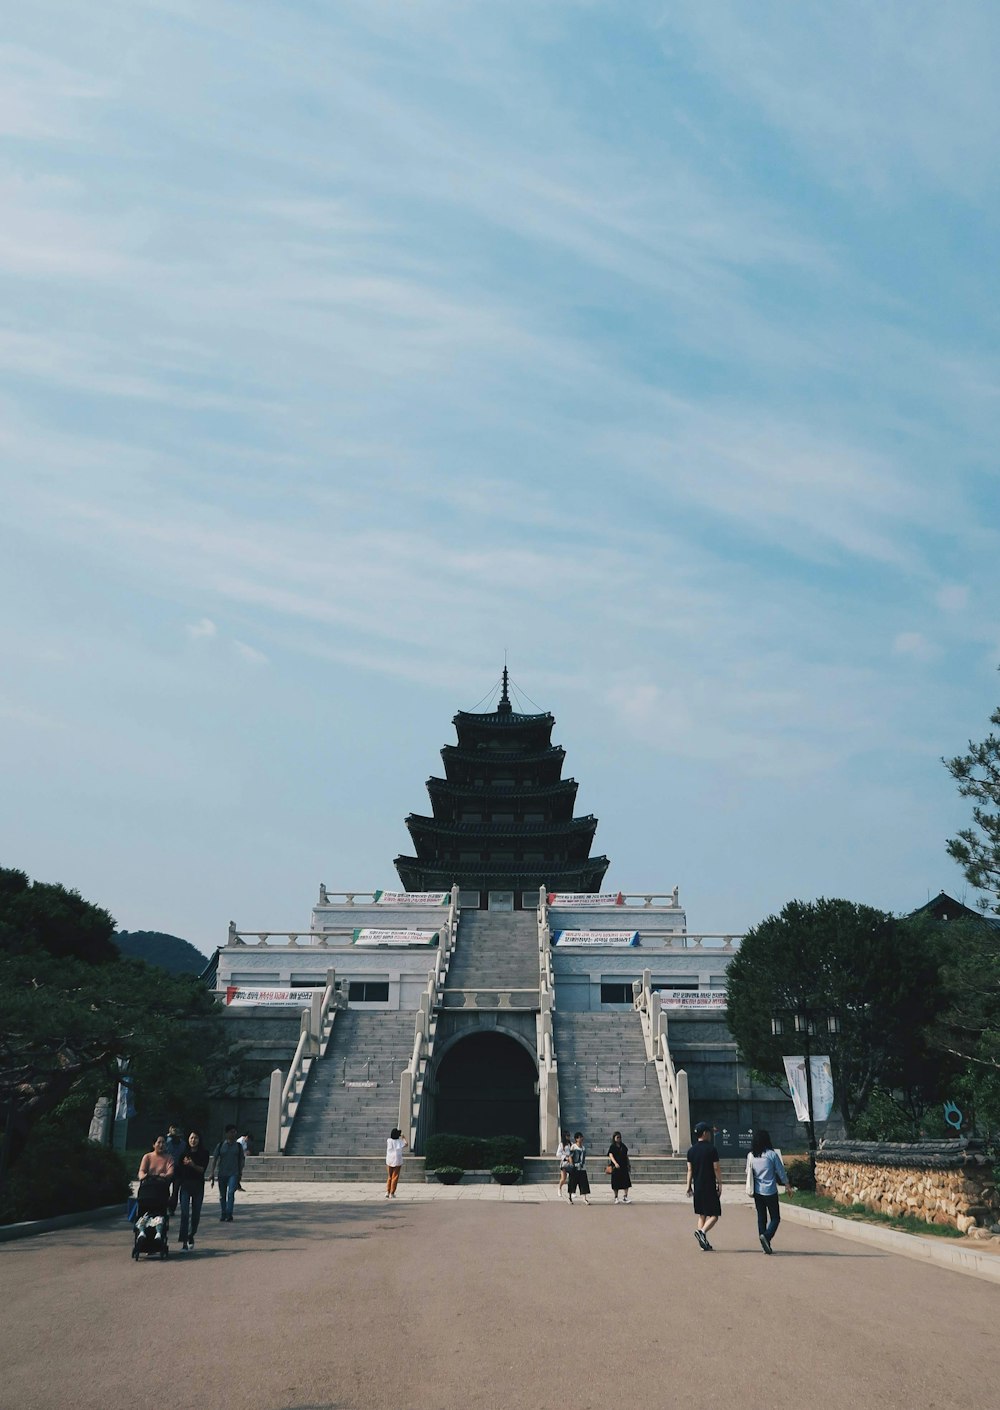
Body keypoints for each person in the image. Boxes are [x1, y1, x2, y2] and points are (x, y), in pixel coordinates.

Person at [746, 1129, 791, 1254]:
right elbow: (780, 1171)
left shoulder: (751, 1155)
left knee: (761, 1217)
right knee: (775, 1217)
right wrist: (787, 1185)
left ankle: (764, 1240)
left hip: (757, 1191)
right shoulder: (772, 1154)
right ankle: (767, 1236)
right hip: (770, 1190)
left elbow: (748, 1172)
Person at [685, 1120, 722, 1250]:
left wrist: (688, 1185)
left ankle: (702, 1242)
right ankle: (702, 1232)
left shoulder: (691, 1151)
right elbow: (716, 1168)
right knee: (714, 1215)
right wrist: (720, 1183)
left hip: (698, 1186)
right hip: (709, 1185)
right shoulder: (711, 1149)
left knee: (702, 1214)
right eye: (709, 1132)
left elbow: (689, 1170)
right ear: (705, 1133)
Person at [177, 1129, 210, 1252]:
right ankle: (184, 1242)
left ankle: (191, 1234)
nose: (193, 1140)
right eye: (191, 1138)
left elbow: (202, 1170)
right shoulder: (183, 1154)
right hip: (185, 1186)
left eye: (195, 1138)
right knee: (184, 1214)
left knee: (195, 1215)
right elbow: (179, 1172)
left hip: (198, 1186)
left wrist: (192, 1165)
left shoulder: (204, 1153)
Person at [210, 1124, 245, 1222]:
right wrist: (212, 1172)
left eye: (235, 1132)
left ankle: (229, 1213)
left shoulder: (238, 1146)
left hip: (233, 1173)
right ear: (226, 1133)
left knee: (230, 1193)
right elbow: (215, 1159)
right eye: (231, 1132)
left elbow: (242, 1159)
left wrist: (240, 1172)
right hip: (222, 1173)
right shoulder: (221, 1145)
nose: (233, 1134)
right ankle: (223, 1212)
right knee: (222, 1195)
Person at [164, 1124, 186, 1215]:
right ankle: (166, 1205)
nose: (175, 1138)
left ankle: (172, 1208)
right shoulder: (167, 1143)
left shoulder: (183, 1144)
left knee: (175, 1190)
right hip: (167, 1168)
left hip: (178, 1169)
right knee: (165, 1189)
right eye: (173, 1136)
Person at [607, 1131, 632, 1204]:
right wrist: (615, 1163)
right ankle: (616, 1197)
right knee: (615, 1183)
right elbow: (610, 1155)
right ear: (614, 1138)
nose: (619, 1139)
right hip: (616, 1167)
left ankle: (625, 1196)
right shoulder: (612, 1146)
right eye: (617, 1137)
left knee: (626, 1182)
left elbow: (626, 1156)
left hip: (623, 1166)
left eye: (620, 1137)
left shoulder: (623, 1146)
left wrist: (628, 1164)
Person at [567, 1132, 590, 1205]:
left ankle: (584, 1198)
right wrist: (571, 1164)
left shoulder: (583, 1147)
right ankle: (570, 1197)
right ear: (576, 1139)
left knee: (583, 1183)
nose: (581, 1139)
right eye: (579, 1137)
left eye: (581, 1137)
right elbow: (570, 1156)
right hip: (575, 1168)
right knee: (572, 1183)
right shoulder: (573, 1146)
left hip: (582, 1168)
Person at [386, 1127, 407, 1198]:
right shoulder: (399, 1141)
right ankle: (392, 1192)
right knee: (395, 1177)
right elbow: (406, 1144)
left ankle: (387, 1191)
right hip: (397, 1160)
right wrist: (403, 1137)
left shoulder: (389, 1140)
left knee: (389, 1176)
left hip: (389, 1159)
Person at [556, 1130, 573, 1197]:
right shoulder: (561, 1144)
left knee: (571, 1178)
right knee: (563, 1178)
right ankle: (559, 1189)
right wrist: (565, 1158)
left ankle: (571, 1192)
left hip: (571, 1162)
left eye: (569, 1136)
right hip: (564, 1162)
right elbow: (558, 1154)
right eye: (567, 1136)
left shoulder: (571, 1144)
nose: (568, 1137)